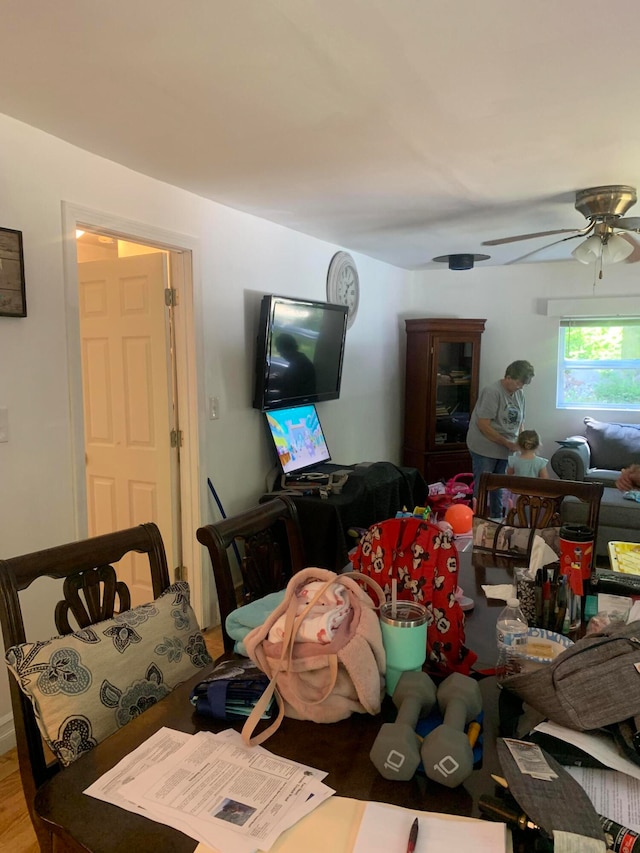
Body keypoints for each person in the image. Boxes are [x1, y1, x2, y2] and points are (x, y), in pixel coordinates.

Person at [466, 359, 535, 518]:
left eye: (523, 384)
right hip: (485, 446)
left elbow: (520, 422)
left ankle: (496, 520)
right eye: (518, 383)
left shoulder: (519, 393)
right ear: (508, 377)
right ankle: (479, 520)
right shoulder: (492, 391)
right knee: (483, 485)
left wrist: (521, 441)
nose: (520, 387)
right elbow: (483, 425)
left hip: (506, 447)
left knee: (499, 486)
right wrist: (507, 443)